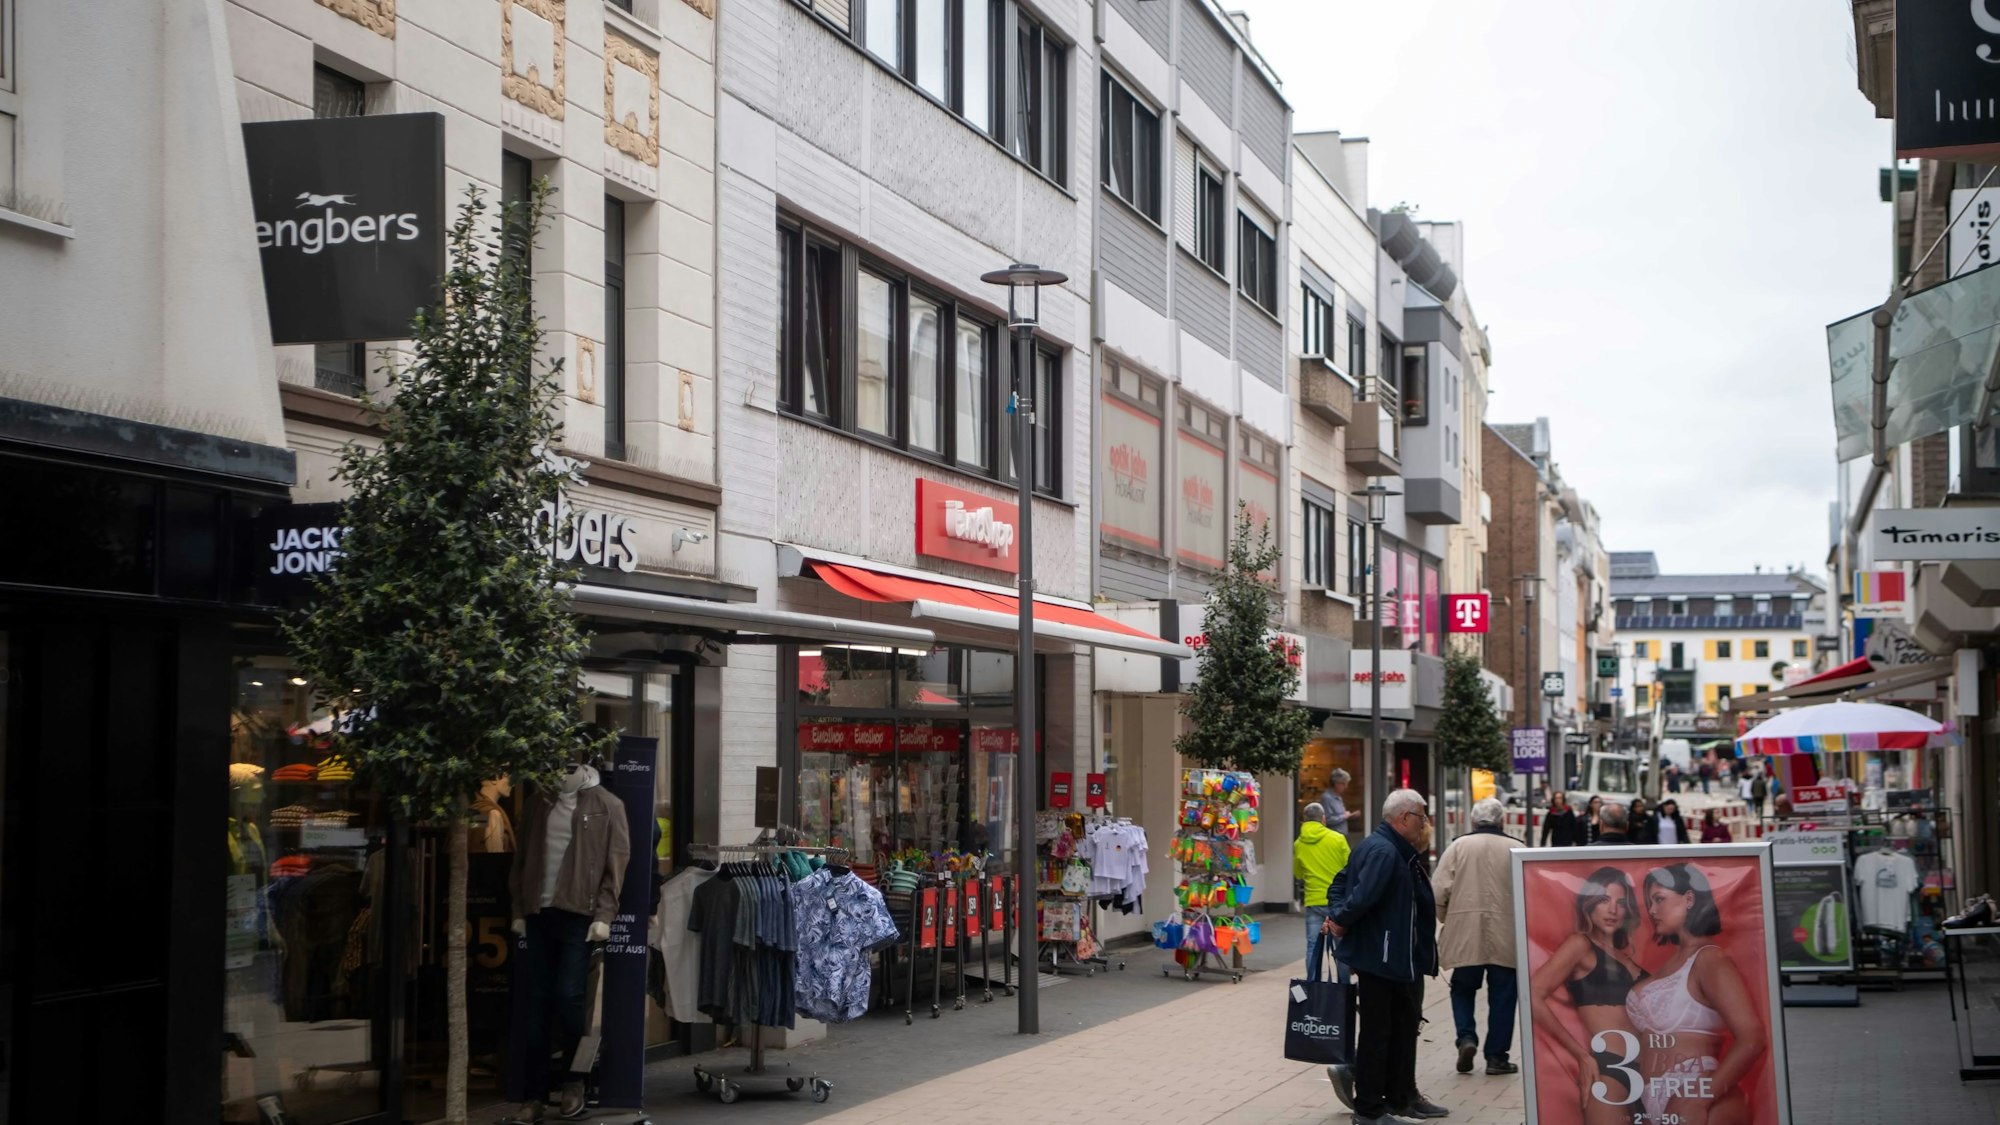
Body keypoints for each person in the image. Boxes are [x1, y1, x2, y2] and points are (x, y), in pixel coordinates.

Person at [1325, 790, 1447, 1124]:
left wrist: (1338, 914)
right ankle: (1368, 1110)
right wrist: (1339, 918)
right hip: (1383, 958)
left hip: (1395, 957)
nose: (1426, 824)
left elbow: (1340, 885)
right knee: (1378, 1033)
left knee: (1402, 1029)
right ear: (1405, 817)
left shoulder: (1390, 848)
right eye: (1422, 817)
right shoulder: (1383, 851)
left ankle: (1400, 1097)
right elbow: (1357, 894)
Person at [1630, 864, 1769, 1125]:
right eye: (1649, 902)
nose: (1651, 910)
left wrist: (1700, 1098)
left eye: (1659, 899)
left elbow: (1753, 1037)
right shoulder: (1675, 963)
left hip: (1696, 1089)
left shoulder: (1709, 959)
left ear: (1689, 899)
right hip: (1656, 1098)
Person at [1527, 866, 1649, 1125]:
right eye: (1604, 900)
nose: (1613, 910)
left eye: (1620, 902)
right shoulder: (1580, 944)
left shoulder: (1624, 955)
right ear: (1589, 904)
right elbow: (1533, 995)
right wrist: (1581, 1055)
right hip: (1610, 1071)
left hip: (1648, 1074)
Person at [1437, 798, 1525, 1077]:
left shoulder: (1458, 847)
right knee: (1504, 995)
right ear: (1502, 821)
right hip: (1508, 935)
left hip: (1466, 932)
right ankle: (1497, 1057)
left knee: (1462, 988)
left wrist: (1447, 918)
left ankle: (1466, 1037)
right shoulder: (1518, 849)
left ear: (1473, 821)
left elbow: (1438, 892)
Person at [1295, 802, 1352, 982]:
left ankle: (1312, 988)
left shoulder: (1299, 843)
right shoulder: (1338, 839)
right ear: (1323, 819)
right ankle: (1344, 989)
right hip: (1337, 903)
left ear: (1304, 821)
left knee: (1313, 946)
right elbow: (1350, 867)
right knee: (1340, 947)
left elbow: (1297, 873)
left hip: (1313, 901)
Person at [1322, 769, 1356, 833]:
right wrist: (1345, 816)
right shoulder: (1327, 798)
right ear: (1336, 783)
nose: (1346, 787)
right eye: (1343, 784)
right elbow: (1327, 819)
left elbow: (1338, 815)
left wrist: (1349, 815)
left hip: (1341, 836)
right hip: (1333, 837)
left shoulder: (1338, 797)